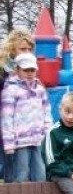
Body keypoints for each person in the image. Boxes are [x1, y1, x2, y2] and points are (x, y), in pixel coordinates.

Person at [1, 53, 52, 182]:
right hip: (19, 142)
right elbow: (6, 119)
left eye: (32, 70)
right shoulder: (10, 90)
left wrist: (47, 132)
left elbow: (47, 112)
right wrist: (8, 144)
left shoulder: (40, 90)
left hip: (37, 140)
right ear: (17, 70)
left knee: (40, 174)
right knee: (21, 174)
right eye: (26, 70)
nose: (30, 73)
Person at [1, 29, 36, 182]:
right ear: (12, 49)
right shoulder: (3, 72)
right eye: (22, 49)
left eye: (29, 49)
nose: (26, 52)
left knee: (20, 170)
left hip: (22, 129)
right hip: (5, 126)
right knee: (9, 168)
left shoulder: (29, 71)